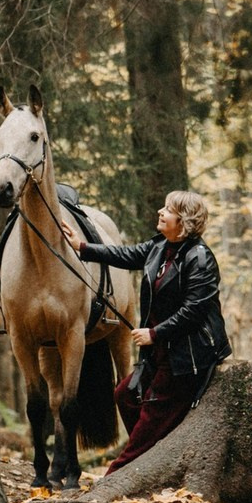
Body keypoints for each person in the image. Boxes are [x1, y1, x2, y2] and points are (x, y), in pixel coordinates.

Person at [62, 190, 231, 473]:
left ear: (184, 220)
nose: (160, 213)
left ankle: (119, 474)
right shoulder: (160, 247)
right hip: (161, 350)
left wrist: (155, 333)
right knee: (126, 395)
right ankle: (159, 455)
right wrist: (82, 246)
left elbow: (194, 311)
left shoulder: (200, 259)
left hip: (189, 355)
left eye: (168, 210)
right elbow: (125, 255)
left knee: (152, 413)